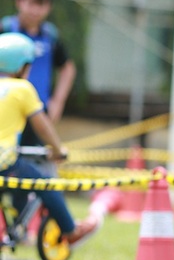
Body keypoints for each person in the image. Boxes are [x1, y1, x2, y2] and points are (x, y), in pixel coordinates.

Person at [0, 32, 100, 246]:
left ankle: (13, 231)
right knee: (46, 184)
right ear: (22, 66)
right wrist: (57, 149)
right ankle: (71, 230)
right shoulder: (22, 89)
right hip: (3, 162)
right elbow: (43, 126)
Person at [2, 0, 76, 157]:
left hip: (38, 111)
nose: (35, 10)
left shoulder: (50, 36)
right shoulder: (4, 29)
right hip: (7, 110)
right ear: (19, 1)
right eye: (31, 3)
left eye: (41, 4)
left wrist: (58, 101)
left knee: (35, 166)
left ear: (49, 7)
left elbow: (67, 67)